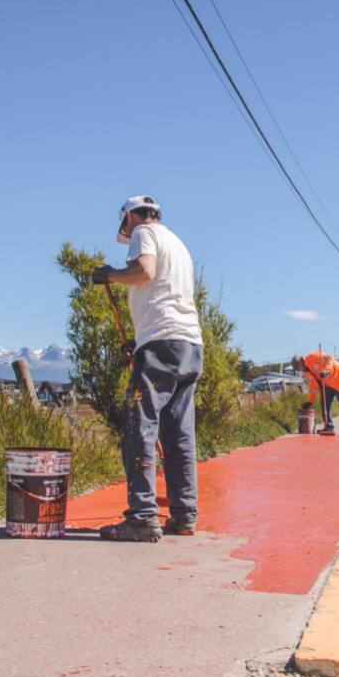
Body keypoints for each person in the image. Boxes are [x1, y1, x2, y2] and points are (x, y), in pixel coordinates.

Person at [91, 195, 203, 543]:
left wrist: (109, 274)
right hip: (189, 346)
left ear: (131, 218)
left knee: (140, 426)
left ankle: (142, 518)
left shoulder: (144, 233)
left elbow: (145, 272)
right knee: (178, 435)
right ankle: (184, 515)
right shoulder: (178, 242)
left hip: (162, 342)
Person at [292, 350, 339, 435]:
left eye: (297, 368)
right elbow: (313, 386)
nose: (299, 370)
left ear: (299, 363)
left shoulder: (313, 356)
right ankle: (329, 426)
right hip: (327, 384)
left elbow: (329, 358)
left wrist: (326, 370)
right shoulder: (306, 372)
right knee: (325, 404)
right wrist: (309, 401)